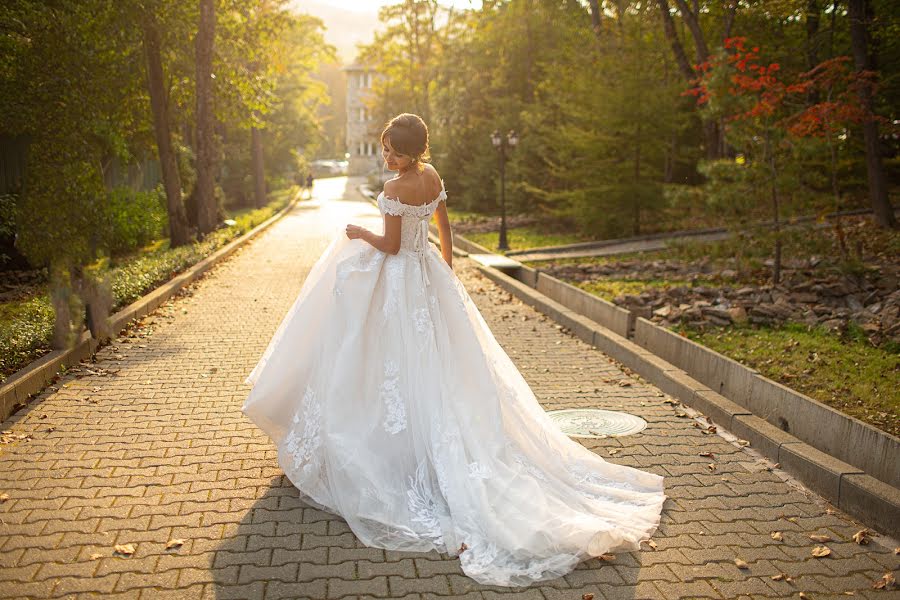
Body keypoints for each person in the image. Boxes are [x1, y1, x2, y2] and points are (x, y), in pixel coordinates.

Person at [242, 113, 666, 587]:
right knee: (434, 362)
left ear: (413, 151)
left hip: (404, 281)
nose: (388, 157)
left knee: (392, 356)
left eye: (394, 152)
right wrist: (445, 265)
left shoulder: (396, 188)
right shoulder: (432, 176)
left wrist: (361, 234)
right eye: (385, 149)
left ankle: (398, 453)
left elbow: (390, 243)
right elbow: (444, 224)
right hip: (426, 277)